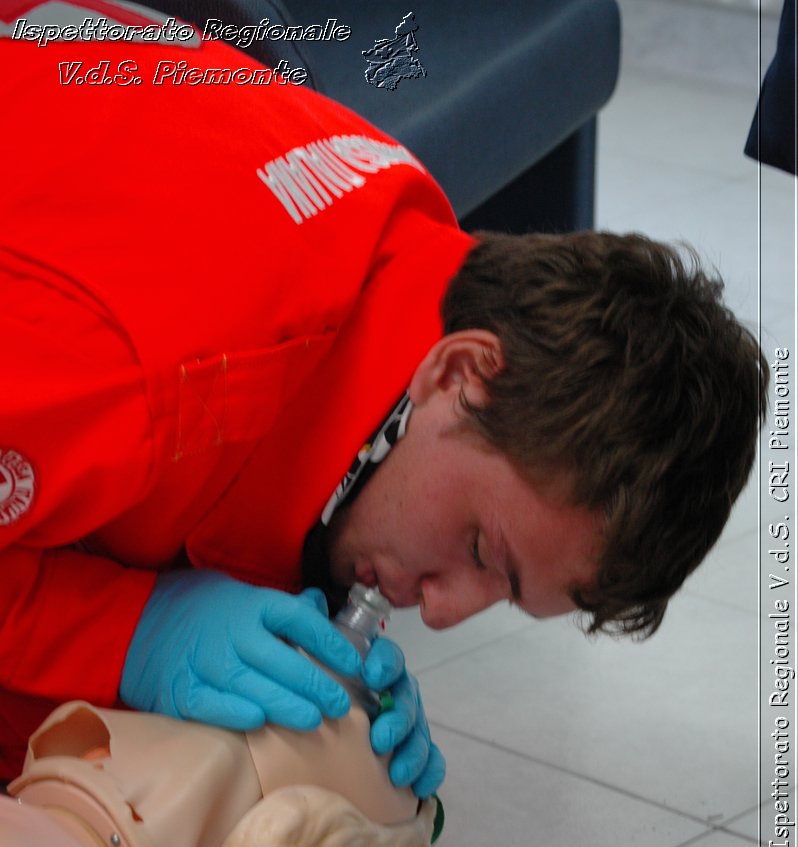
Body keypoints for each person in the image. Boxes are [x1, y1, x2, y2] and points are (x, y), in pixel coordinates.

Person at [0, 2, 768, 785]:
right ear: (461, 373)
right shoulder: (147, 372)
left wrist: (308, 615)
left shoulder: (415, 249)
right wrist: (126, 634)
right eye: (478, 549)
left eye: (499, 593)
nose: (439, 612)